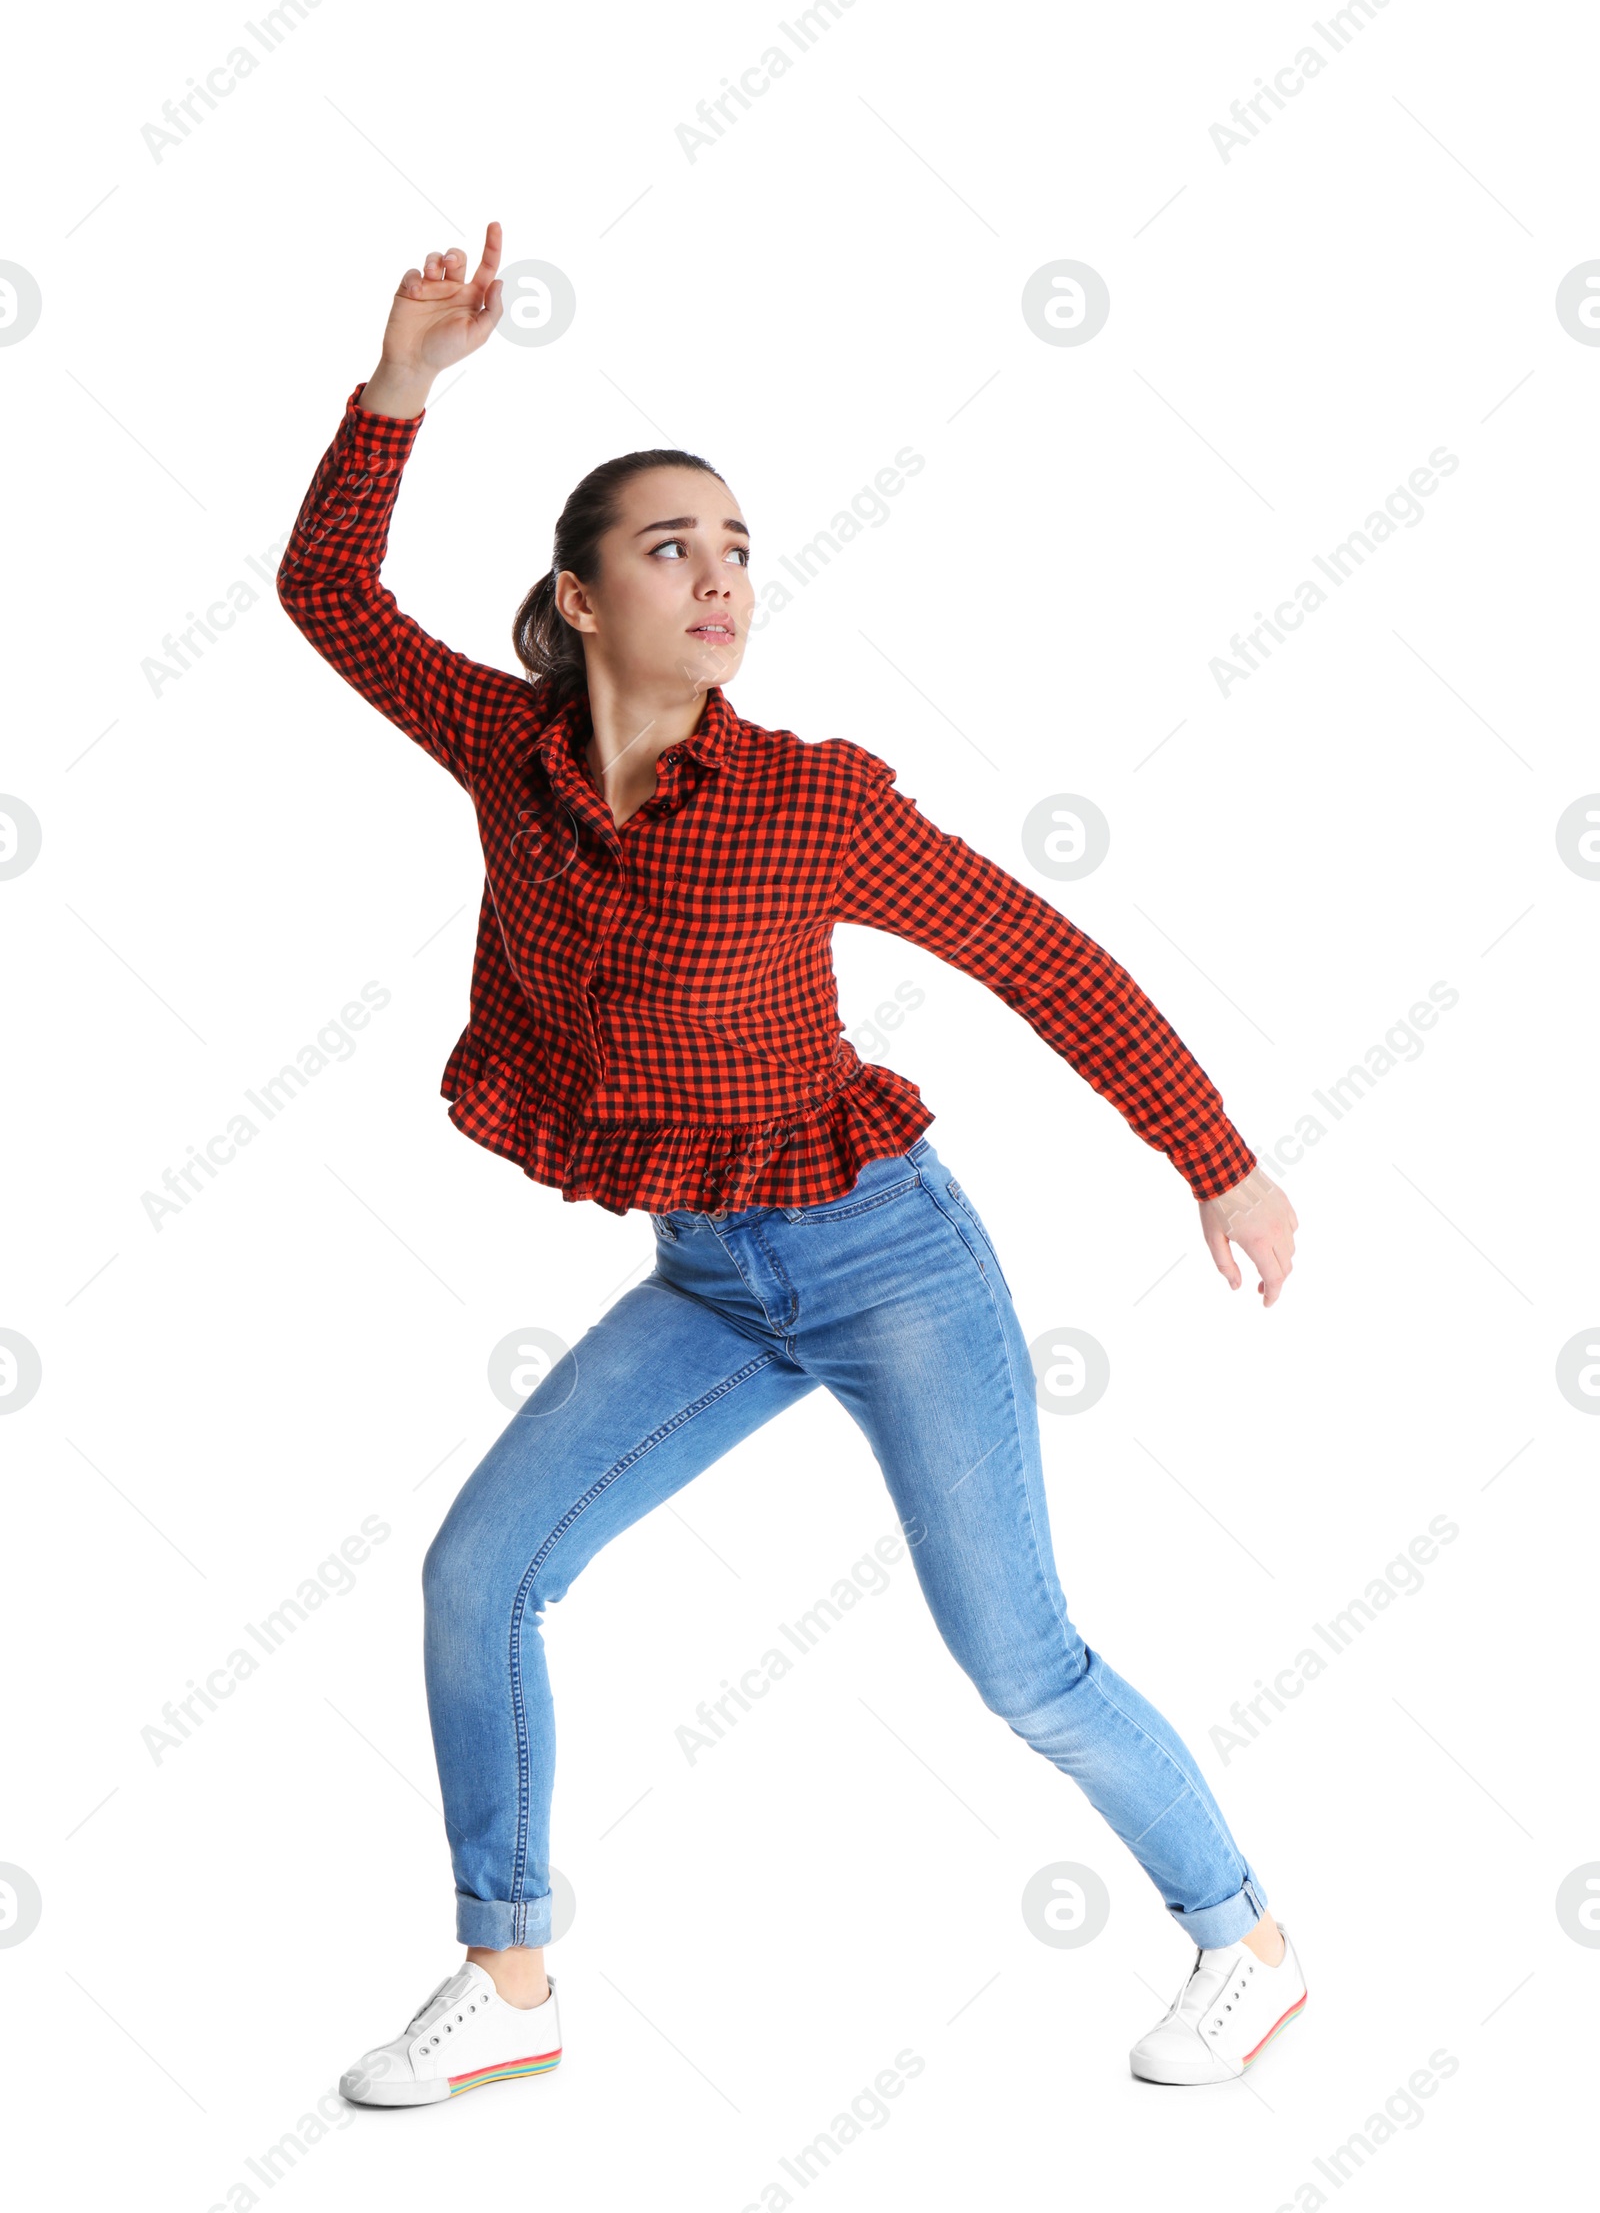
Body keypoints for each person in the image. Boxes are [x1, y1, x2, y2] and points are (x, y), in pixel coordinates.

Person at [277, 221, 1305, 2104]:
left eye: (739, 544)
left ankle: (1242, 1937)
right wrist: (404, 376)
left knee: (1021, 1663)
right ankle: (509, 1982)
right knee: (475, 1574)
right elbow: (329, 593)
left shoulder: (808, 804)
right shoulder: (506, 753)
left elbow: (1038, 955)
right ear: (580, 600)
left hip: (882, 1262)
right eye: (673, 545)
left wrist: (1214, 1158)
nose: (722, 574)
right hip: (708, 1281)